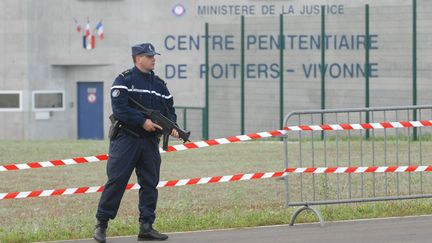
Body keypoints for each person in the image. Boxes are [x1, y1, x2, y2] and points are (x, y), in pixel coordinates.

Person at [93, 43, 178, 242]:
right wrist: (142, 121)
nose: (153, 59)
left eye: (153, 56)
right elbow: (120, 109)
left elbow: (170, 109)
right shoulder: (124, 80)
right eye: (149, 56)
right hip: (126, 139)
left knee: (150, 183)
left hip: (149, 142)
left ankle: (146, 227)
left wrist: (172, 126)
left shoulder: (159, 85)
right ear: (138, 58)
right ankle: (101, 224)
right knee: (116, 181)